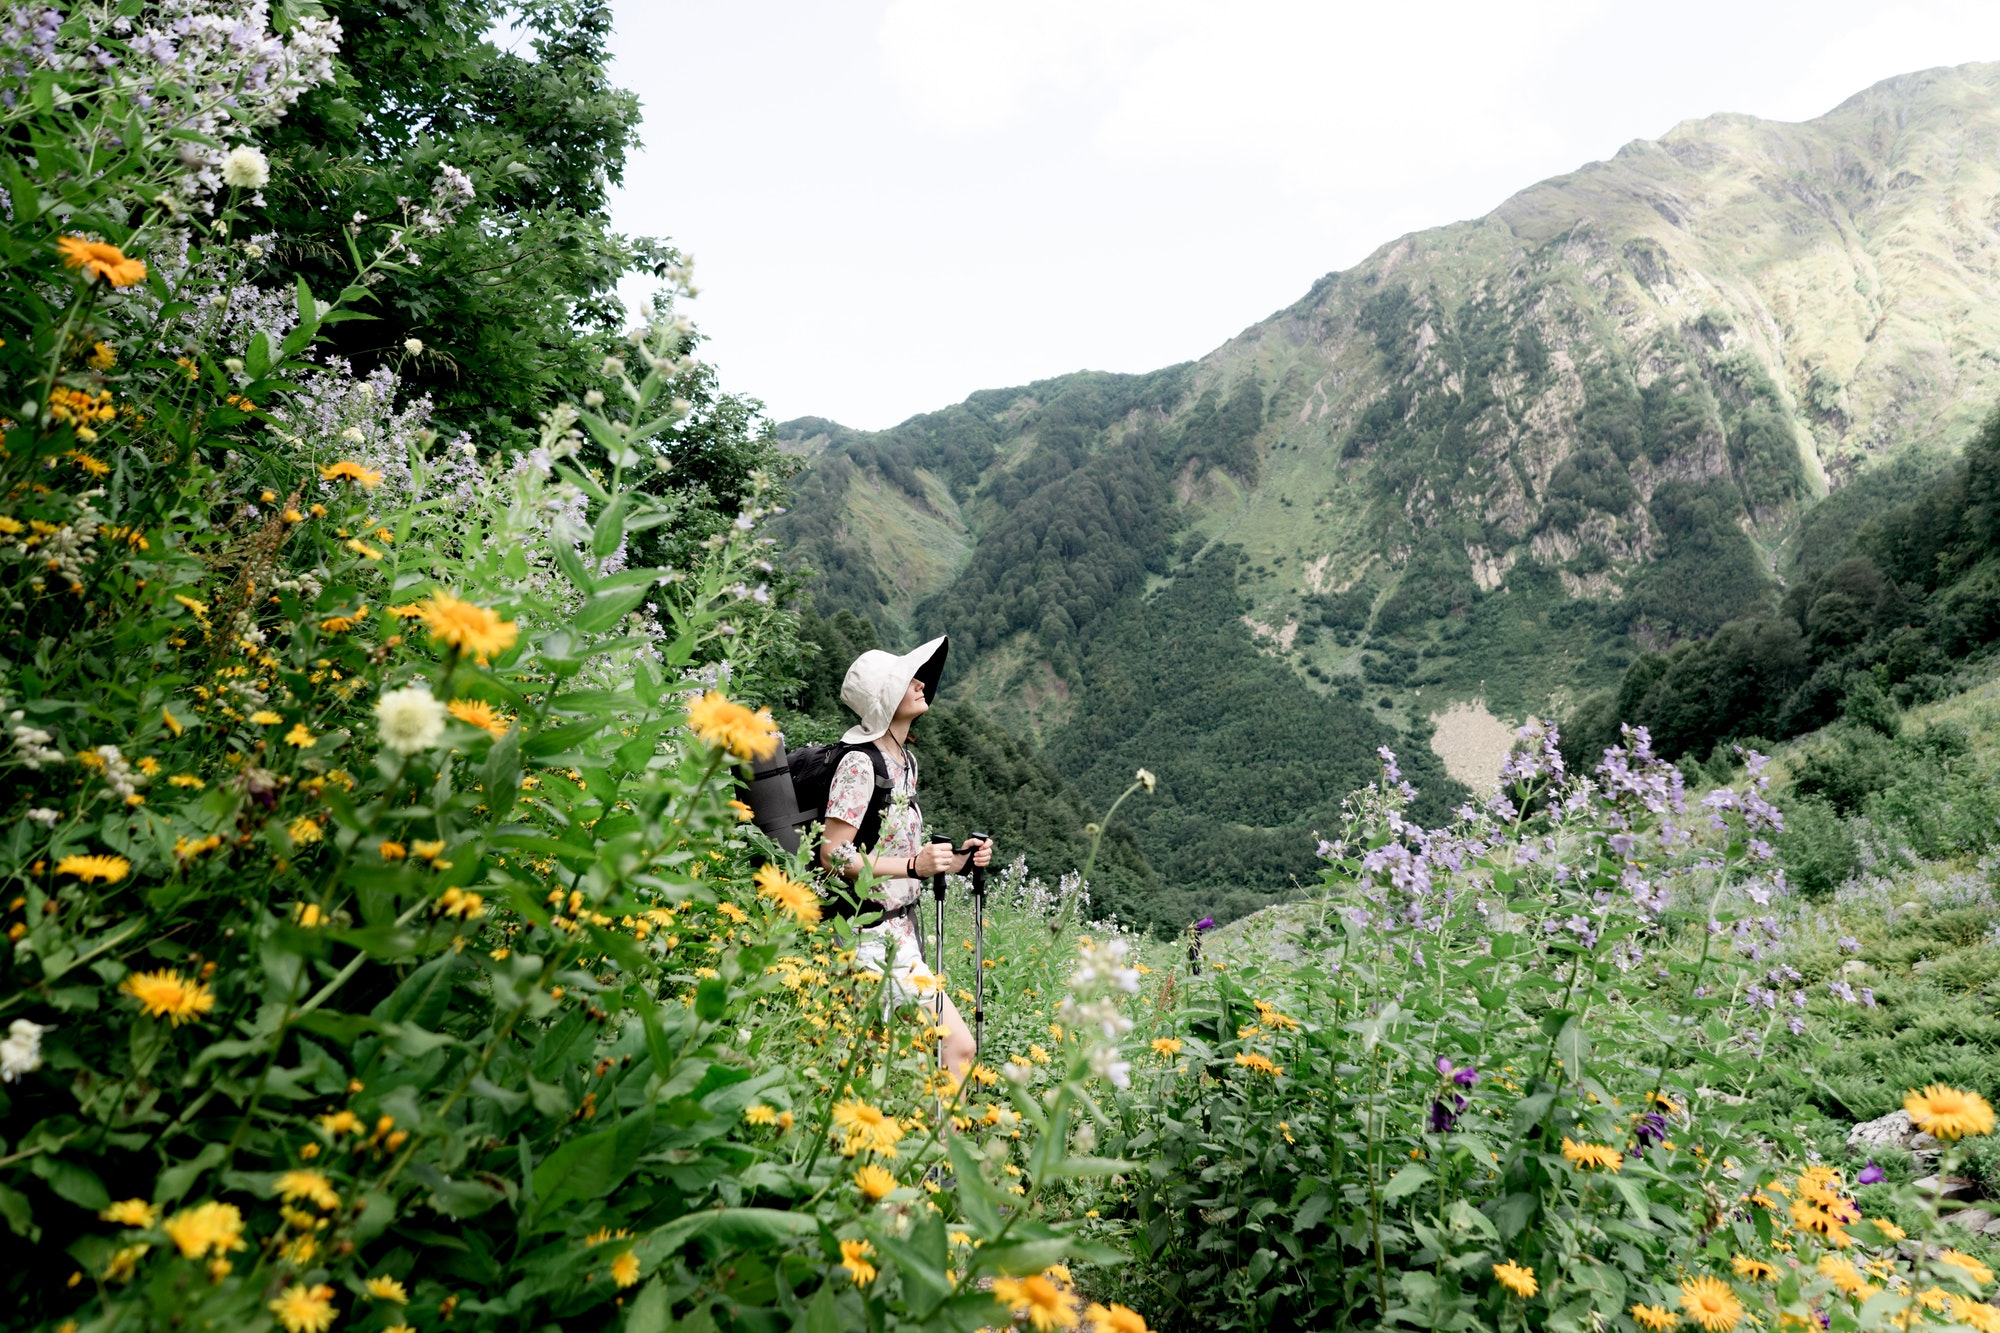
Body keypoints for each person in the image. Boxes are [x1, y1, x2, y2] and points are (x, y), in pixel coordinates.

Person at [817, 635, 991, 1078]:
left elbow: (898, 851)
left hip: (901, 931)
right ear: (883, 702)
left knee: (874, 1064)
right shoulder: (859, 764)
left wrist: (956, 861)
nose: (919, 683)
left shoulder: (905, 762)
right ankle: (947, 1148)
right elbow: (834, 855)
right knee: (958, 1047)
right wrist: (915, 865)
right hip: (866, 934)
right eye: (905, 681)